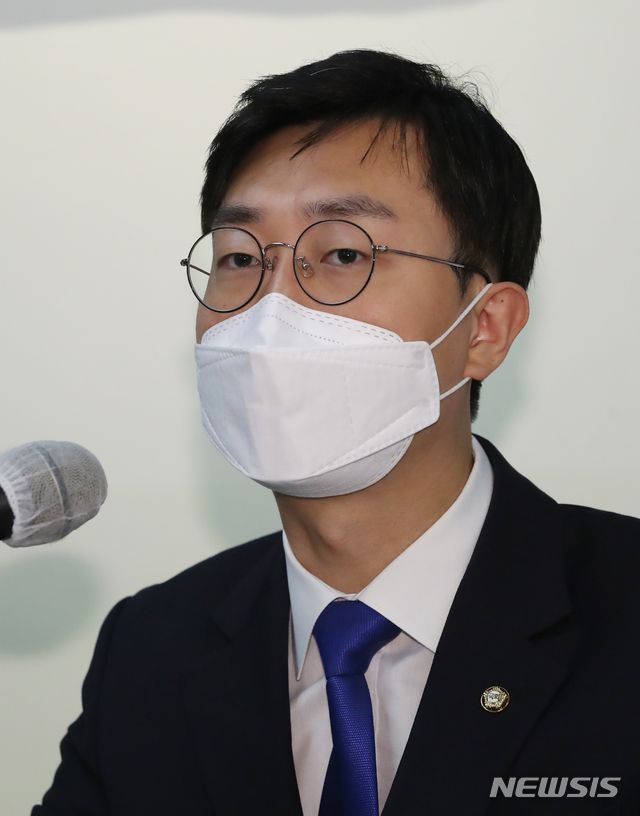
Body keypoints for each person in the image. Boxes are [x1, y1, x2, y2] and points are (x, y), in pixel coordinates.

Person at [33, 49, 640, 816]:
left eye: (343, 253)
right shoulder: (151, 650)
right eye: (239, 257)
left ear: (485, 327)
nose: (271, 309)